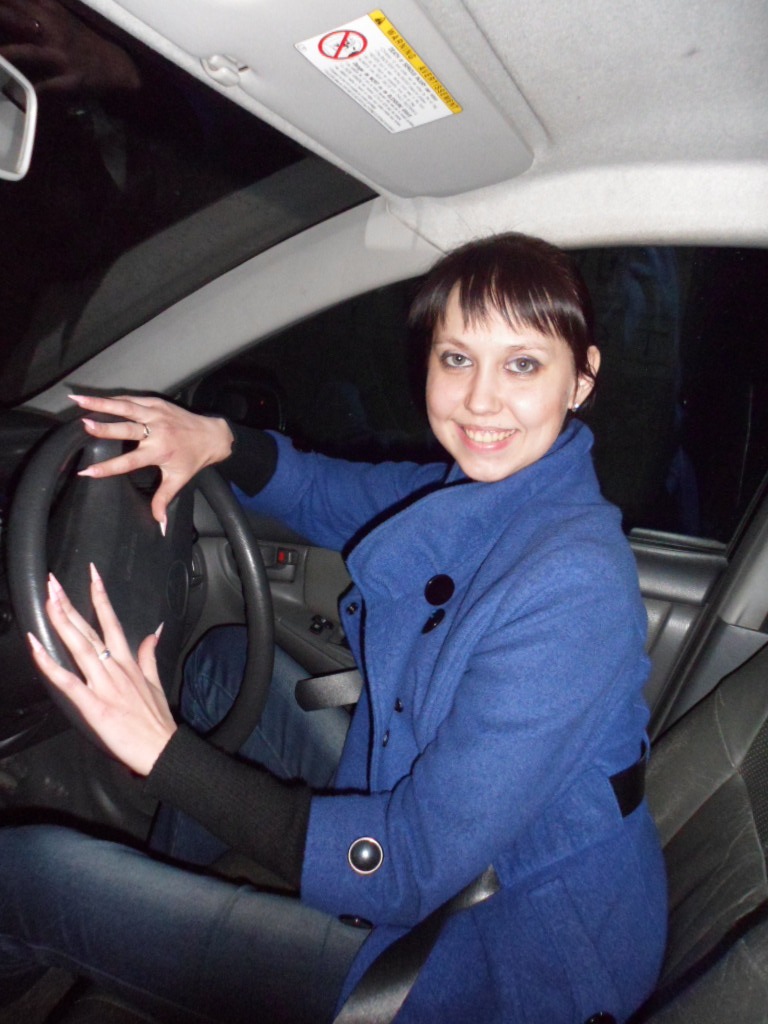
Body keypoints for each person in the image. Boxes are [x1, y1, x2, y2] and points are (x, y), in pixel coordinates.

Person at [0, 233, 667, 1023]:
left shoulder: (576, 584)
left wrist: (163, 752)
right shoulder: (487, 493)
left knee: (23, 875)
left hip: (500, 951)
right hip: (449, 838)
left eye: (522, 364)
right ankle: (154, 905)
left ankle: (110, 924)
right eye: (457, 359)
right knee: (223, 665)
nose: (481, 400)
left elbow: (408, 865)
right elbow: (324, 491)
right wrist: (217, 440)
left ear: (581, 378)